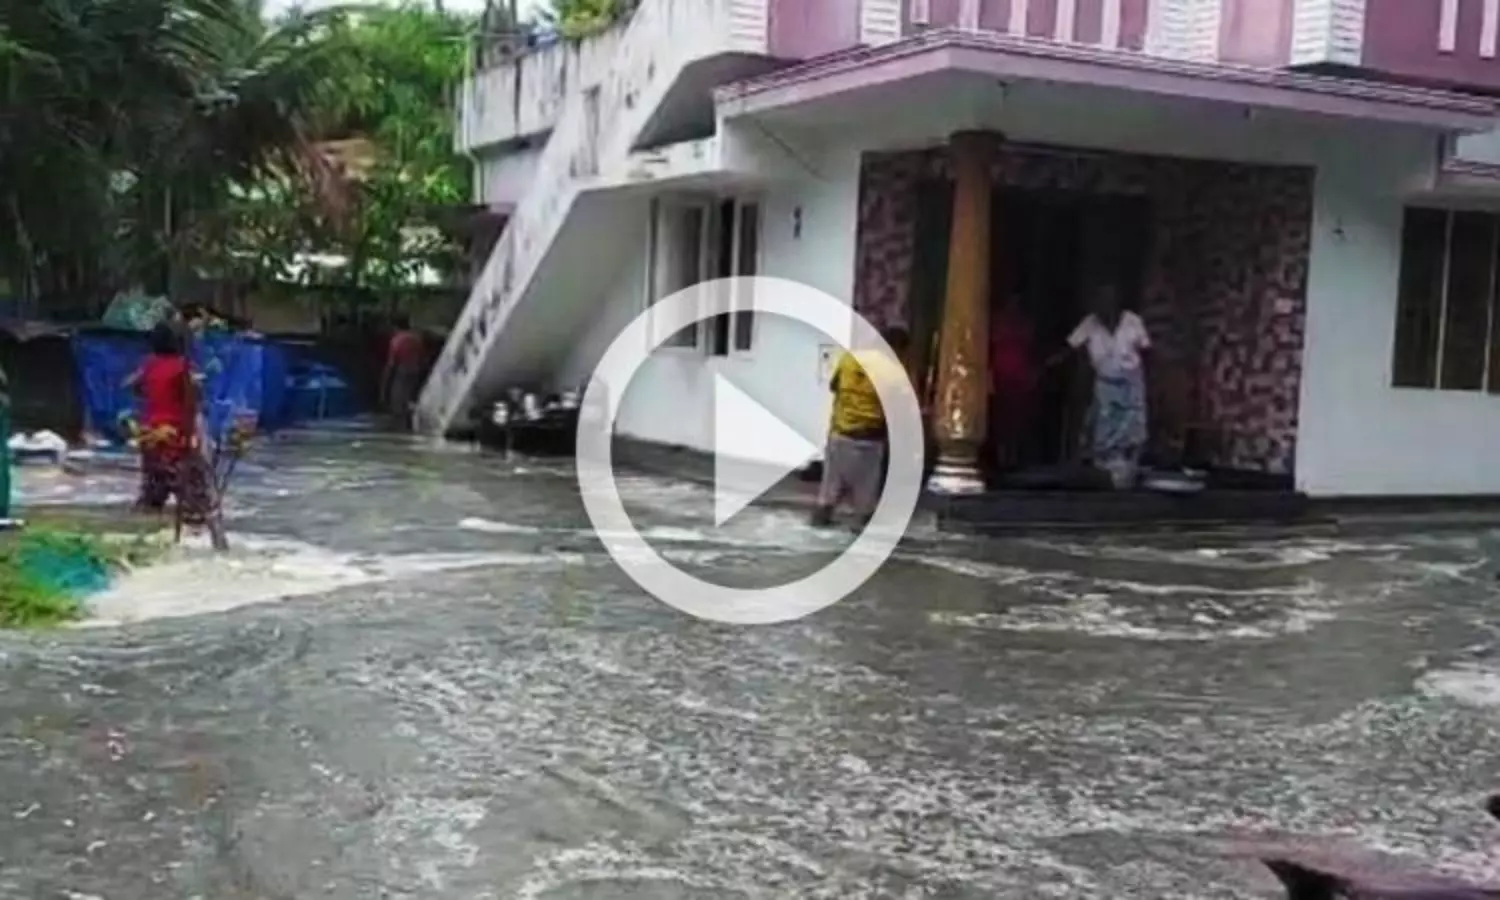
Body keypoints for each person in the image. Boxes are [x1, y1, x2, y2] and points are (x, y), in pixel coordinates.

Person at [126, 323, 221, 544]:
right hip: (176, 434)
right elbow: (191, 401)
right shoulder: (182, 367)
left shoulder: (149, 365)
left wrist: (150, 393)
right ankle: (194, 539)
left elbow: (131, 385)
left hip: (151, 434)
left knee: (153, 490)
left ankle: (142, 537)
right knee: (194, 497)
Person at [1050, 285, 1152, 489]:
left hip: (1131, 383)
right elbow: (1070, 348)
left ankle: (1127, 475)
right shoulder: (1090, 324)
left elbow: (1147, 351)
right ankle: (1107, 476)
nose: (1101, 305)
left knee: (1131, 430)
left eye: (1106, 300)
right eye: (1098, 301)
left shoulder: (1132, 322)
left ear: (1116, 302)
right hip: (1105, 382)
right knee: (1105, 429)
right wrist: (1050, 363)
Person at [811, 327, 911, 529]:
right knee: (865, 501)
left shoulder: (849, 359)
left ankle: (818, 525)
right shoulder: (894, 373)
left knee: (829, 493)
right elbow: (898, 410)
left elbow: (834, 387)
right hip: (870, 440)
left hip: (839, 434)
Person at [989, 294, 1038, 470]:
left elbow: (1031, 348)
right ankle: (1002, 458)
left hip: (1020, 375)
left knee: (1017, 418)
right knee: (1002, 418)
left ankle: (1014, 457)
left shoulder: (1025, 324)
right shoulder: (998, 323)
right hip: (1001, 374)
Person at [381, 313, 424, 432]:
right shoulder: (416, 338)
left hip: (402, 371)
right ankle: (410, 425)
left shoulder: (397, 340)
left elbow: (392, 362)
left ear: (396, 326)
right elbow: (421, 357)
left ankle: (401, 428)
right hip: (415, 370)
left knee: (398, 402)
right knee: (409, 400)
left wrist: (385, 383)